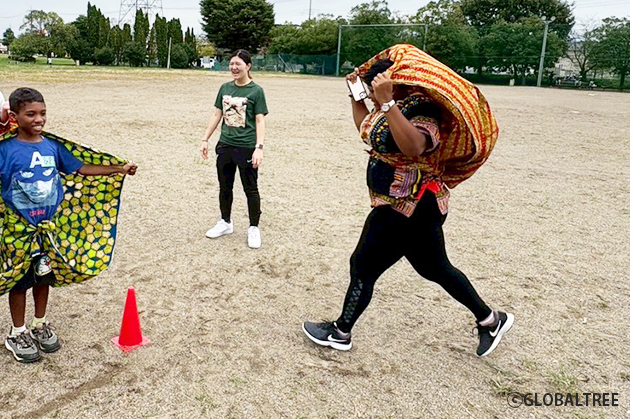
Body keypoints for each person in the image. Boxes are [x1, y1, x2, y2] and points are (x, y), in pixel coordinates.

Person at [303, 45, 513, 357]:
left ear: (392, 84)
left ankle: (340, 332)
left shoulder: (423, 108)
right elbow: (367, 130)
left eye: (376, 91)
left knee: (362, 265)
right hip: (409, 206)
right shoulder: (393, 107)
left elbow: (414, 146)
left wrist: (387, 102)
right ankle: (490, 320)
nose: (373, 99)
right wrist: (355, 97)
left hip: (409, 206)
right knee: (435, 267)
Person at [0, 87, 138, 364]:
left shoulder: (52, 146)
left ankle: (40, 323)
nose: (39, 119)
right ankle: (17, 332)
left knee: (43, 277)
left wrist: (118, 169)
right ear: (14, 116)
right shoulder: (4, 149)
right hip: (17, 231)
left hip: (47, 231)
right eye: (31, 114)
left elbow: (82, 168)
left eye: (43, 113)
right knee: (19, 281)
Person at [199, 49, 268, 249]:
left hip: (246, 147)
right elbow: (216, 114)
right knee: (225, 186)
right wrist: (205, 139)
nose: (233, 68)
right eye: (231, 64)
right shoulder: (225, 88)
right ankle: (225, 222)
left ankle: (254, 227)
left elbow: (259, 120)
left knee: (251, 189)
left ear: (248, 66)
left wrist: (259, 148)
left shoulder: (256, 91)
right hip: (225, 145)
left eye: (238, 64)